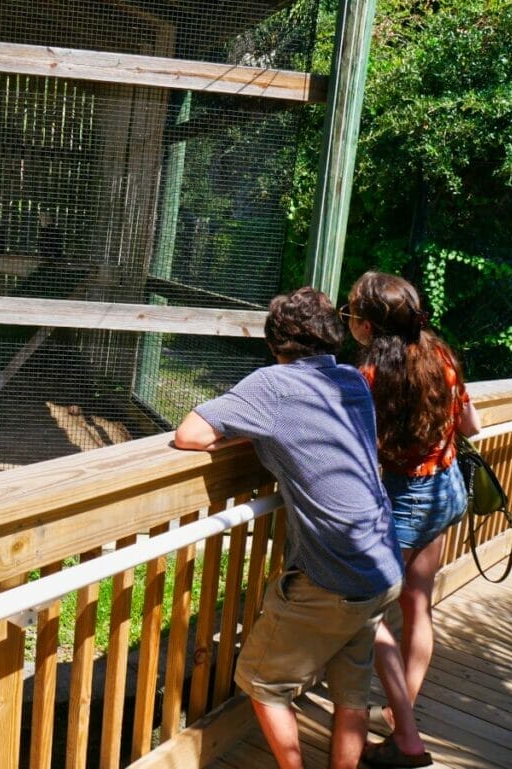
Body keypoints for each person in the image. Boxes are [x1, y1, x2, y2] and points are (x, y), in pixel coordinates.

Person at [175, 287, 405, 769]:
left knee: (262, 681)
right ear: (332, 335)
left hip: (335, 575)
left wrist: (237, 432)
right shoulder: (352, 380)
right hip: (383, 564)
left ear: (275, 341)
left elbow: (190, 434)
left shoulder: (272, 386)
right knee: (352, 692)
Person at [342, 271, 480, 767]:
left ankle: (407, 736)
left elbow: (353, 449)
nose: (350, 319)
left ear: (369, 323)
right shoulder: (442, 357)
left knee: (367, 614)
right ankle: (403, 719)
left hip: (403, 501)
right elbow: (471, 425)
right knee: (417, 606)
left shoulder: (369, 379)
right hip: (445, 491)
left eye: (352, 311)